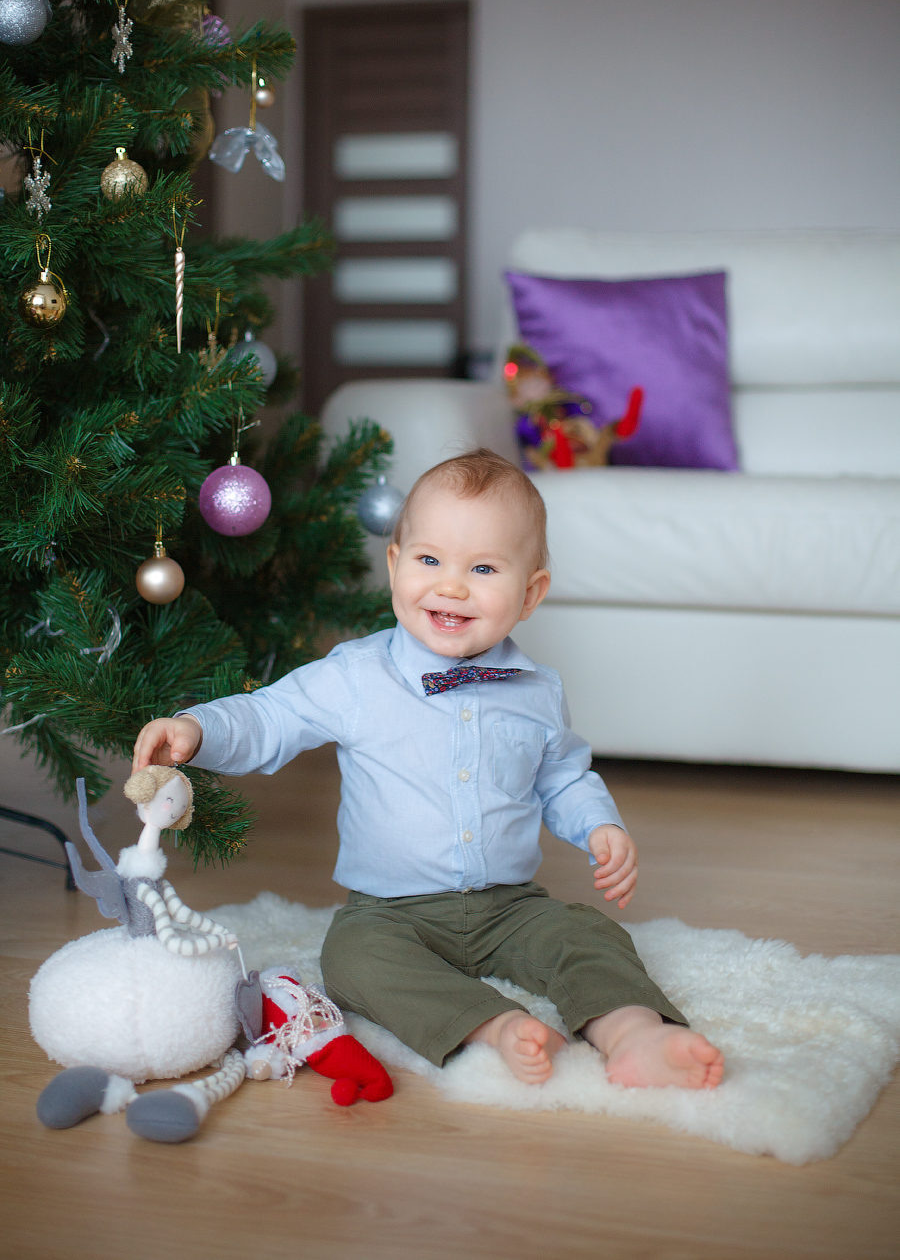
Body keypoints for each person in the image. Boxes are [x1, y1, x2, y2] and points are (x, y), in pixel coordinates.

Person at [133, 449, 724, 1091]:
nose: (451, 586)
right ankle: (490, 1025)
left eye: (483, 568)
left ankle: (633, 1033)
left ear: (530, 594)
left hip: (510, 906)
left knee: (587, 935)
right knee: (352, 961)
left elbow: (561, 775)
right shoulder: (357, 677)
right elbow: (270, 717)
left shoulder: (538, 691)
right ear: (395, 567)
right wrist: (197, 729)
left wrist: (598, 826)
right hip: (389, 910)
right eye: (430, 560)